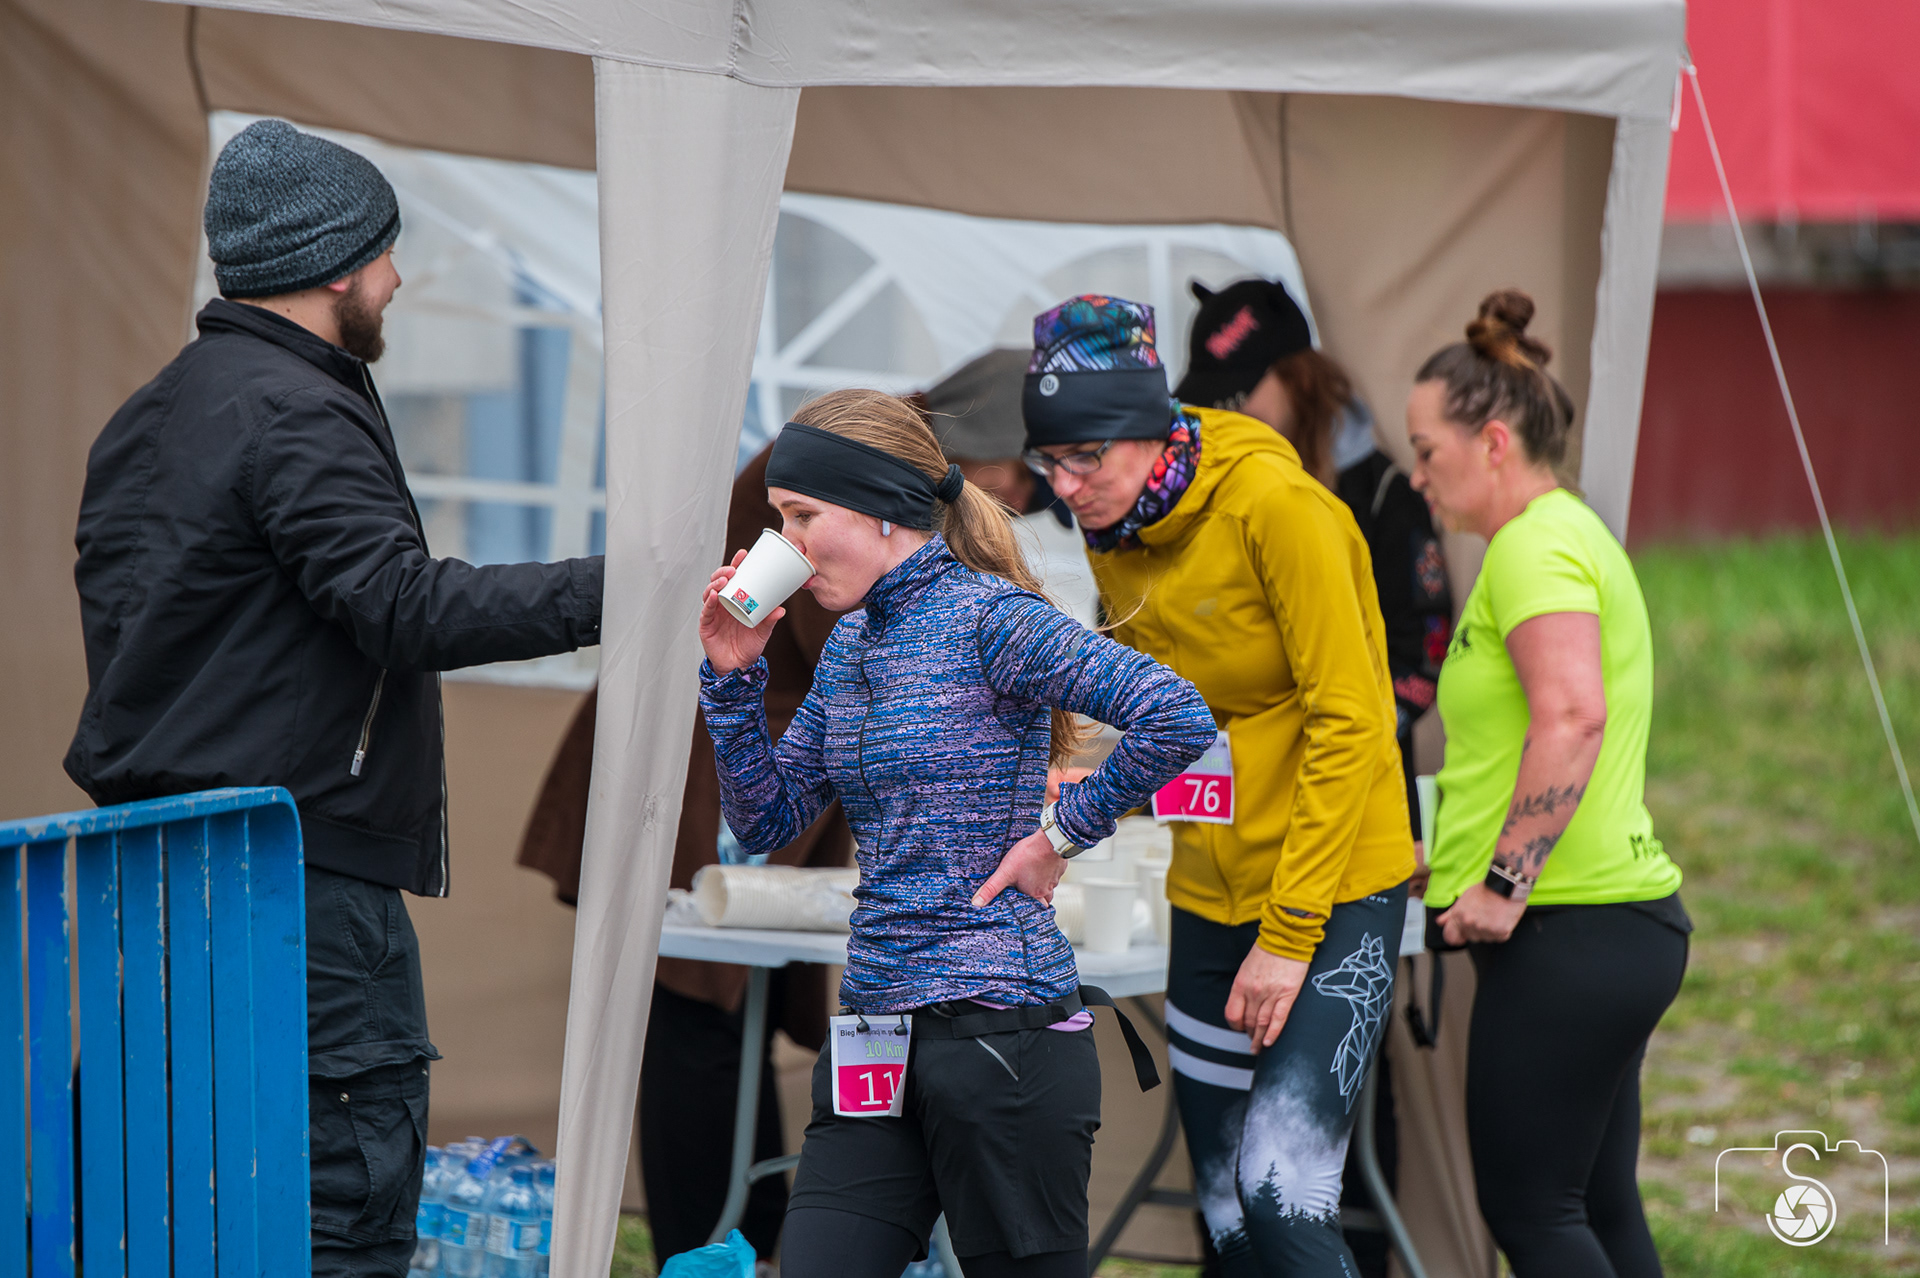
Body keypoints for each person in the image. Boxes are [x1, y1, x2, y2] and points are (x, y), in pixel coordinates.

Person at [64, 119, 605, 1278]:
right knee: (338, 1212)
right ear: (339, 268)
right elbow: (403, 607)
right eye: (387, 254)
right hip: (290, 877)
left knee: (168, 1209)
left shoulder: (152, 412)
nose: (398, 280)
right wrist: (621, 590)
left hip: (154, 875)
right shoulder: (298, 408)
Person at [698, 389, 1216, 1277]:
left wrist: (1060, 835)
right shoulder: (851, 642)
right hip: (873, 1030)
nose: (785, 543)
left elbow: (1176, 713)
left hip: (1001, 1034)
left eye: (803, 515)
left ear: (880, 508)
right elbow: (767, 819)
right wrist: (732, 681)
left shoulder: (990, 618)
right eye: (780, 519)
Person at [1021, 294, 1415, 1277]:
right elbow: (1171, 715)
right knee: (1228, 1218)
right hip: (1208, 885)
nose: (1066, 487)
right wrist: (1079, 792)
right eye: (1048, 462)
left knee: (1284, 1199)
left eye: (1085, 459)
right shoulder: (1115, 526)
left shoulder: (1278, 508)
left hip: (1330, 887)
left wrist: (1289, 935)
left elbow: (1354, 723)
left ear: (1151, 431)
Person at [516, 442, 853, 1264]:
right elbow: (845, 648)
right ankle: (709, 1249)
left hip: (752, 759)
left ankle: (752, 1241)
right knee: (698, 1005)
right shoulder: (844, 486)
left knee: (736, 1014)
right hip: (705, 765)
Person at [1408, 289, 1688, 1278]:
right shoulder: (1555, 535)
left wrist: (1500, 883)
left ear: (1493, 443)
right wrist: (1445, 854)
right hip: (1602, 926)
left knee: (1531, 1215)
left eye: (1427, 451)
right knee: (1594, 1208)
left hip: (1569, 926)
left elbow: (1572, 717)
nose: (1416, 475)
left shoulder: (1537, 544)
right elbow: (1518, 743)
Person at [1177, 277, 1452, 864]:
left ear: (1298, 379)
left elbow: (1424, 656)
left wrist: (1336, 740)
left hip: (1354, 807)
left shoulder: (1384, 494)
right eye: (1210, 402)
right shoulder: (1194, 494)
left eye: (1238, 396)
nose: (1224, 417)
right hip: (1226, 817)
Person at [920, 347, 1098, 627]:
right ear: (980, 426)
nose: (1017, 506)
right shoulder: (862, 473)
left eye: (1034, 504)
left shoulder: (938, 549)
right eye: (1024, 475)